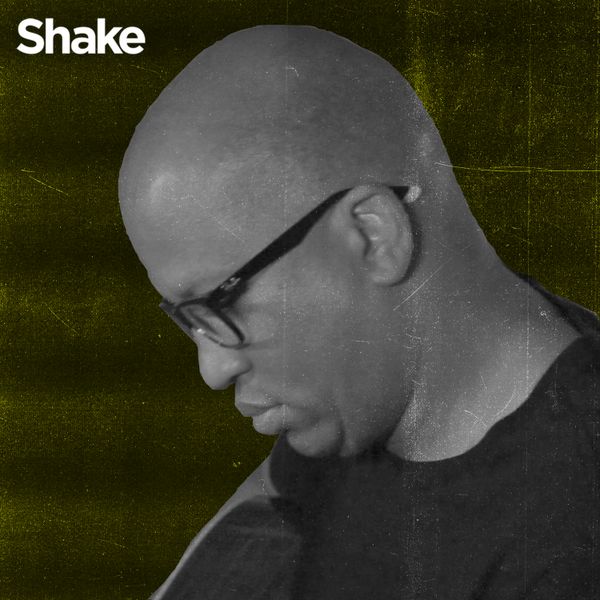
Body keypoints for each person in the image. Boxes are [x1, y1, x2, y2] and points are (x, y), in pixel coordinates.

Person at [119, 25, 599, 600]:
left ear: (374, 236)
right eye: (189, 317)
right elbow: (267, 507)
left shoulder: (572, 541)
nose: (213, 369)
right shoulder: (363, 391)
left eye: (223, 300)